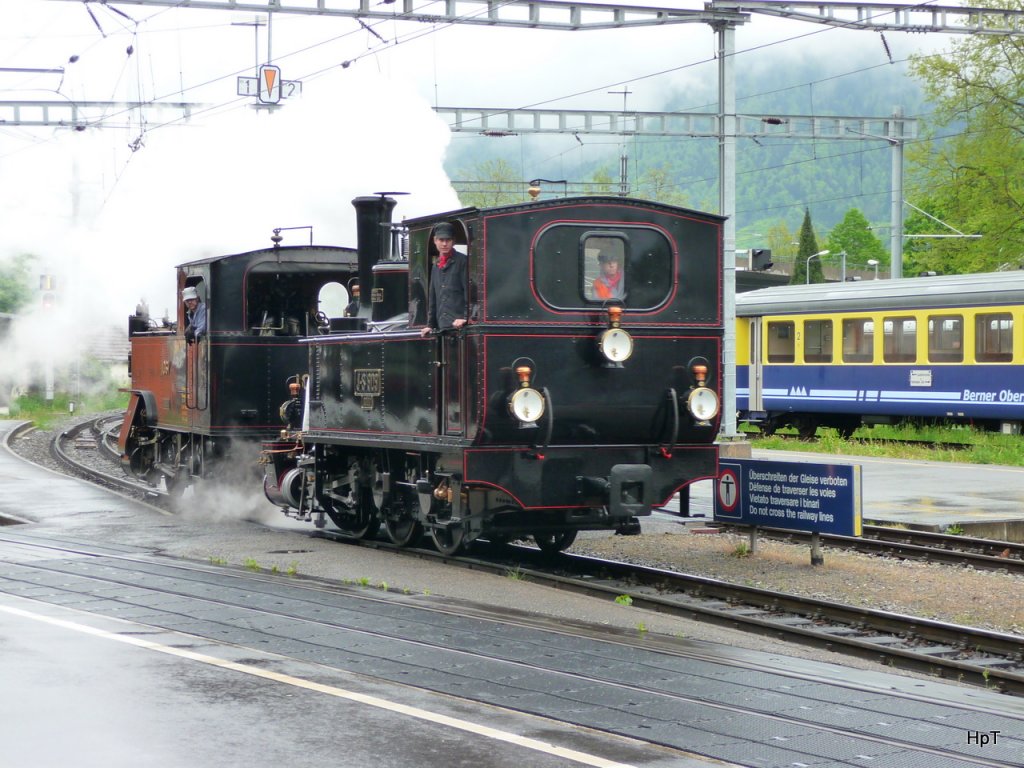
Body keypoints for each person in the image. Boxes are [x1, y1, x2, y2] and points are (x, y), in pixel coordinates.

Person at [421, 222, 468, 336]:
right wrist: (430, 325)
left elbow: (469, 292)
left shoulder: (463, 261)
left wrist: (465, 317)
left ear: (453, 241)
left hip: (459, 326)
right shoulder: (435, 266)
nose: (444, 244)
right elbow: (433, 297)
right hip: (442, 326)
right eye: (441, 240)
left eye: (448, 240)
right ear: (435, 240)